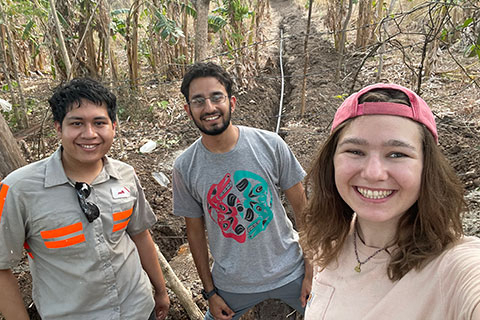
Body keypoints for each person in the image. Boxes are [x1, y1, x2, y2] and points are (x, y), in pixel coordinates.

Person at [301, 83, 480, 319]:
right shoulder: (329, 241)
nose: (374, 173)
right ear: (331, 162)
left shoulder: (454, 269)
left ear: (427, 168)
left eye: (397, 154)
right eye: (355, 151)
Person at [0, 78, 170, 320]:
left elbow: (140, 235)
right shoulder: (19, 189)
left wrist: (161, 291)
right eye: (77, 123)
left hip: (139, 309)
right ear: (59, 127)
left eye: (99, 123)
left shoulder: (125, 176)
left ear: (113, 126)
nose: (89, 134)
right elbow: (2, 267)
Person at [172, 62, 312, 320]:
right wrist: (210, 293)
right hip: (231, 285)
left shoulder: (271, 145)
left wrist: (312, 271)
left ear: (232, 103)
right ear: (188, 110)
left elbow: (303, 211)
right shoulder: (185, 167)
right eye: (198, 101)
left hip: (292, 271)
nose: (209, 108)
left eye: (217, 98)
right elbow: (194, 233)